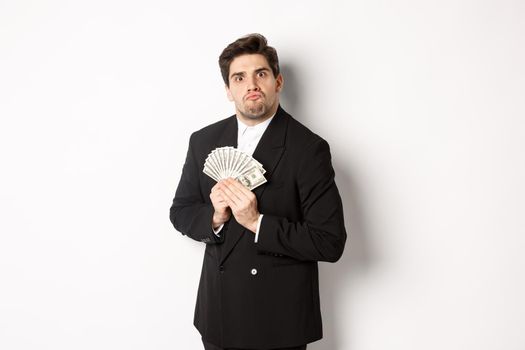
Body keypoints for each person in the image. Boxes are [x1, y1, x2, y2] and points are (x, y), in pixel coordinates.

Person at [170, 33, 347, 350]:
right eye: (239, 77)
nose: (250, 84)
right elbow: (180, 211)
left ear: (278, 82)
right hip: (218, 316)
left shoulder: (308, 149)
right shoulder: (203, 141)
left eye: (260, 74)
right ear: (228, 90)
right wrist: (214, 216)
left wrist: (257, 223)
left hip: (278, 324)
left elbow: (330, 241)